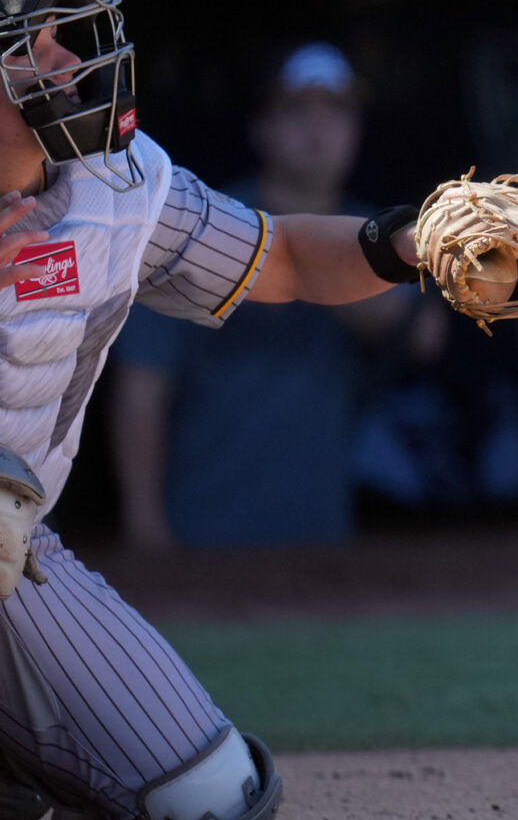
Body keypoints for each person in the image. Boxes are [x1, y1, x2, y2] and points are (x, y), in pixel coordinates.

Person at [0, 0, 518, 820]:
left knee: (211, 801)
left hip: (14, 551)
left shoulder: (119, 185)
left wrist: (405, 243)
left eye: (63, 41)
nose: (68, 63)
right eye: (34, 49)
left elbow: (283, 259)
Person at [110, 45, 424, 549]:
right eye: (297, 111)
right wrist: (143, 519)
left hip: (324, 534)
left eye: (336, 112)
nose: (318, 129)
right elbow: (142, 386)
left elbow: (424, 335)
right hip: (204, 529)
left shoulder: (378, 232)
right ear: (263, 129)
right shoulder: (203, 225)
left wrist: (319, 252)